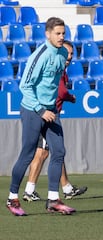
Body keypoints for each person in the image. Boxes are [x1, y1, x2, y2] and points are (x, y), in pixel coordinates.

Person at [6, 17, 76, 216]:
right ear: (48, 34)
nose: (62, 37)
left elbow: (53, 83)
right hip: (32, 110)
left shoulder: (63, 53)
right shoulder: (40, 55)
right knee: (28, 153)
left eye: (63, 33)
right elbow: (24, 86)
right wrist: (40, 109)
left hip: (50, 110)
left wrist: (52, 106)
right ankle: (12, 198)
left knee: (59, 151)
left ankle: (53, 199)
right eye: (58, 33)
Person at [22, 40, 88, 202]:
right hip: (45, 116)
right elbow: (61, 91)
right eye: (68, 53)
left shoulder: (62, 70)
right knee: (43, 152)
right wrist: (70, 97)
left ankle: (67, 188)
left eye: (72, 54)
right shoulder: (55, 67)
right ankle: (29, 190)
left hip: (52, 115)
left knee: (57, 152)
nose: (70, 57)